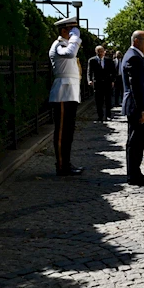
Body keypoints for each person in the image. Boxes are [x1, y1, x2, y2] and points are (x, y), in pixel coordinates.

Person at [48, 17, 84, 176]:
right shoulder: (59, 45)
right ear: (64, 30)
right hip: (62, 93)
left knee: (68, 131)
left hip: (70, 93)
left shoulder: (66, 44)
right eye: (71, 30)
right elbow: (70, 54)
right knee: (62, 131)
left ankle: (66, 163)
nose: (74, 33)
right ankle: (61, 166)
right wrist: (75, 38)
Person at [121, 30, 144, 185]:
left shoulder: (137, 56)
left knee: (138, 141)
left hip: (140, 106)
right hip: (137, 107)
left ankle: (136, 172)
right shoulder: (134, 57)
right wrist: (142, 109)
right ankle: (134, 176)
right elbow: (135, 85)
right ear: (136, 41)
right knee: (135, 141)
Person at [87, 45, 116, 122]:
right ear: (96, 52)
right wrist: (89, 80)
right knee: (98, 101)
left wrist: (113, 80)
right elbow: (89, 72)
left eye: (102, 51)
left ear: (104, 52)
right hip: (97, 83)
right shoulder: (92, 60)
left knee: (108, 100)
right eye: (98, 52)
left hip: (107, 82)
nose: (100, 53)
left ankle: (108, 115)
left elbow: (113, 72)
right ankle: (100, 116)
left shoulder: (109, 61)